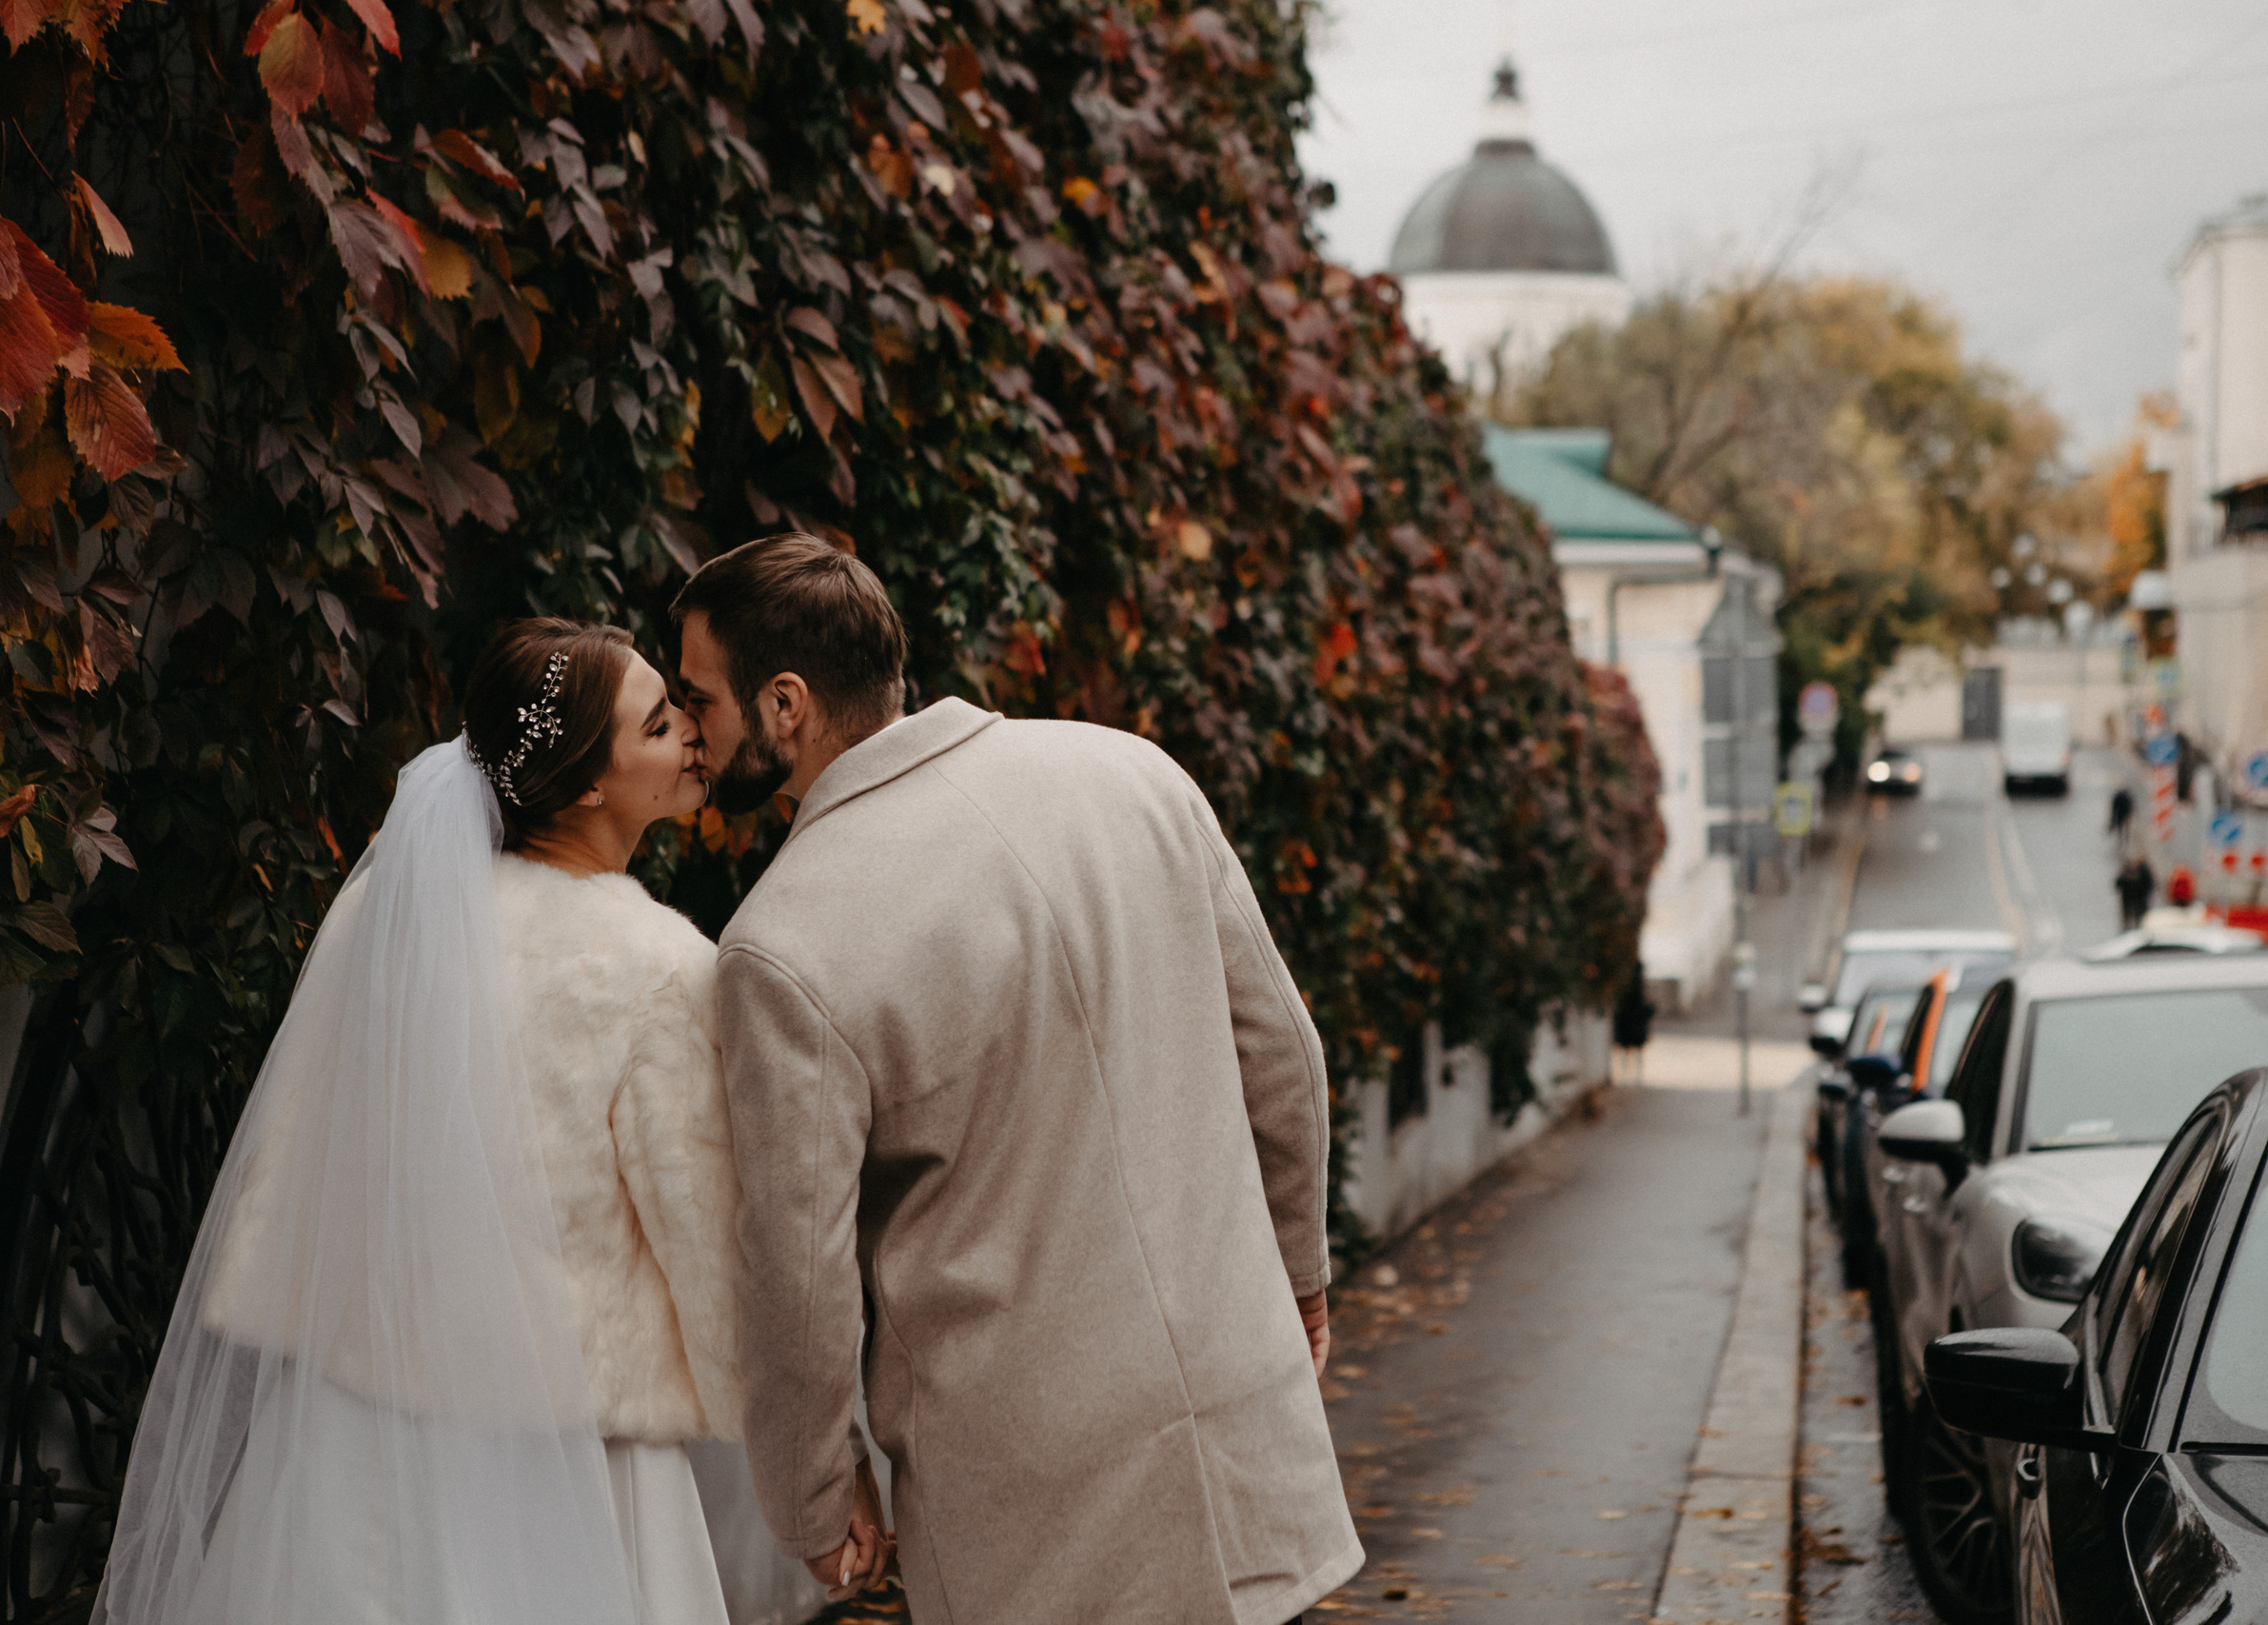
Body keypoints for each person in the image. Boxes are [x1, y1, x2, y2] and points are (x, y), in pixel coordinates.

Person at [98, 618, 882, 1625]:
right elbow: (713, 1252)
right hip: (571, 1463)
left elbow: (304, 1169)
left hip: (351, 1437)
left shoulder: (393, 921)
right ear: (590, 784)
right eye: (658, 726)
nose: (693, 735)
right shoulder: (657, 970)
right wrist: (799, 1455)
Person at [676, 534, 1363, 1625]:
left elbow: (795, 1272)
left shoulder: (782, 942)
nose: (693, 733)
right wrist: (1299, 1278)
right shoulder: (1130, 772)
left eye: (699, 697)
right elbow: (1284, 1054)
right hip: (1234, 1419)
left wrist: (813, 1494)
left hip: (1029, 1494)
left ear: (786, 704)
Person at [2115, 854, 2157, 930]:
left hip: (2136, 901)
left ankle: (2133, 931)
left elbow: (2118, 886)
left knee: (2136, 920)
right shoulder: (2141, 871)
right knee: (2135, 920)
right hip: (2135, 901)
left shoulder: (2141, 871)